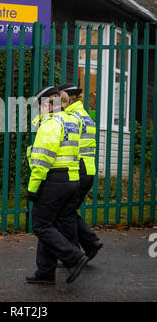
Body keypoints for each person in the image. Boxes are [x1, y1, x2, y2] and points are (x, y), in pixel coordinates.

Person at [26, 86, 89, 285]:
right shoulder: (70, 120)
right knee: (50, 223)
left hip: (54, 180)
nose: (38, 110)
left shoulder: (50, 125)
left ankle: (74, 257)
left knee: (40, 224)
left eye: (39, 106)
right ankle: (45, 272)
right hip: (71, 179)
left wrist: (33, 187)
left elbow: (42, 159)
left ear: (47, 104)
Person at [58, 83, 103, 261]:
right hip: (88, 169)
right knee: (69, 210)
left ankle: (74, 254)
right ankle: (91, 243)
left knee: (65, 214)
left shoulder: (71, 117)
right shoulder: (84, 115)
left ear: (65, 99)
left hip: (78, 168)